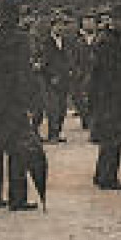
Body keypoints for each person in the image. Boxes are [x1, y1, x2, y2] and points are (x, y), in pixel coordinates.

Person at [0, 0, 42, 211]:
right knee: (18, 151)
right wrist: (30, 100)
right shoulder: (22, 40)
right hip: (15, 103)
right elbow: (25, 73)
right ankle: (17, 198)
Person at [88, 6, 121, 191]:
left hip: (113, 96)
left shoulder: (114, 38)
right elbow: (109, 72)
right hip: (112, 97)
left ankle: (101, 174)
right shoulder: (108, 41)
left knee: (109, 139)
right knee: (113, 139)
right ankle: (108, 178)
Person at [33, 12, 75, 143]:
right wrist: (51, 75)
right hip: (49, 79)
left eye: (62, 25)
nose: (60, 28)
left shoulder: (67, 42)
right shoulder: (46, 42)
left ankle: (56, 132)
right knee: (53, 108)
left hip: (64, 78)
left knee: (62, 107)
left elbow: (69, 58)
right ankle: (51, 134)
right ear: (52, 26)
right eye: (58, 25)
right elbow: (45, 61)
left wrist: (70, 70)